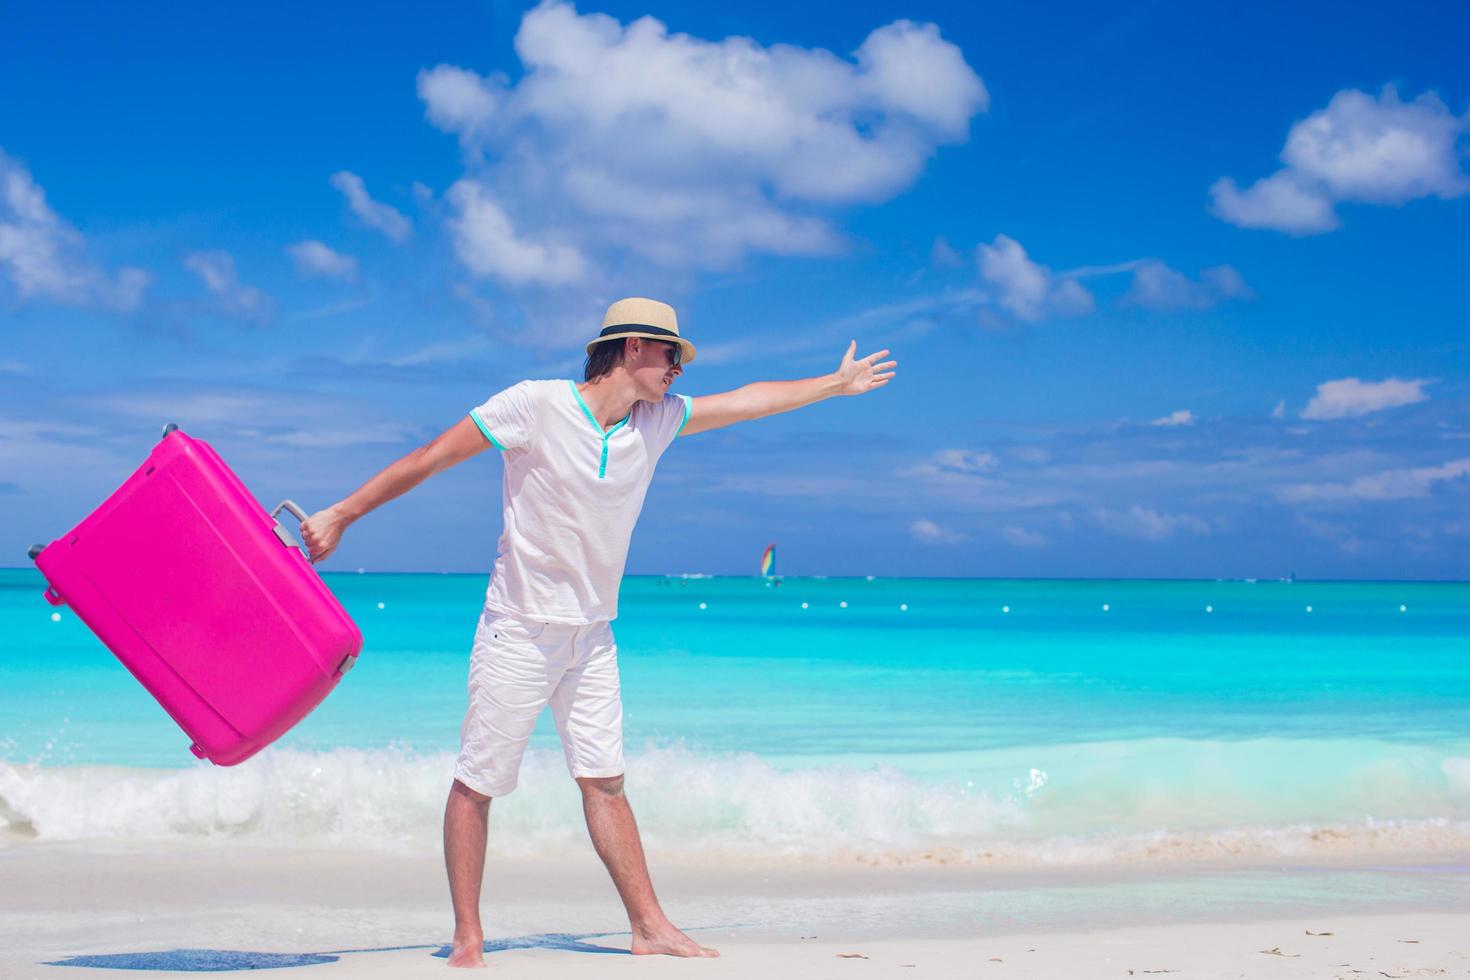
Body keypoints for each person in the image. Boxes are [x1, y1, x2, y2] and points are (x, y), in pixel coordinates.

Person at [300, 297, 896, 968]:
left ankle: (649, 926)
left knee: (606, 782)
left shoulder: (660, 420)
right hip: (518, 629)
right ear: (635, 348)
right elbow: (432, 456)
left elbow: (749, 401)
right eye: (672, 355)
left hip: (592, 636)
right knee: (478, 782)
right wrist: (342, 514)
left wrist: (834, 385)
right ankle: (468, 937)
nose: (678, 370)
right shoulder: (536, 406)